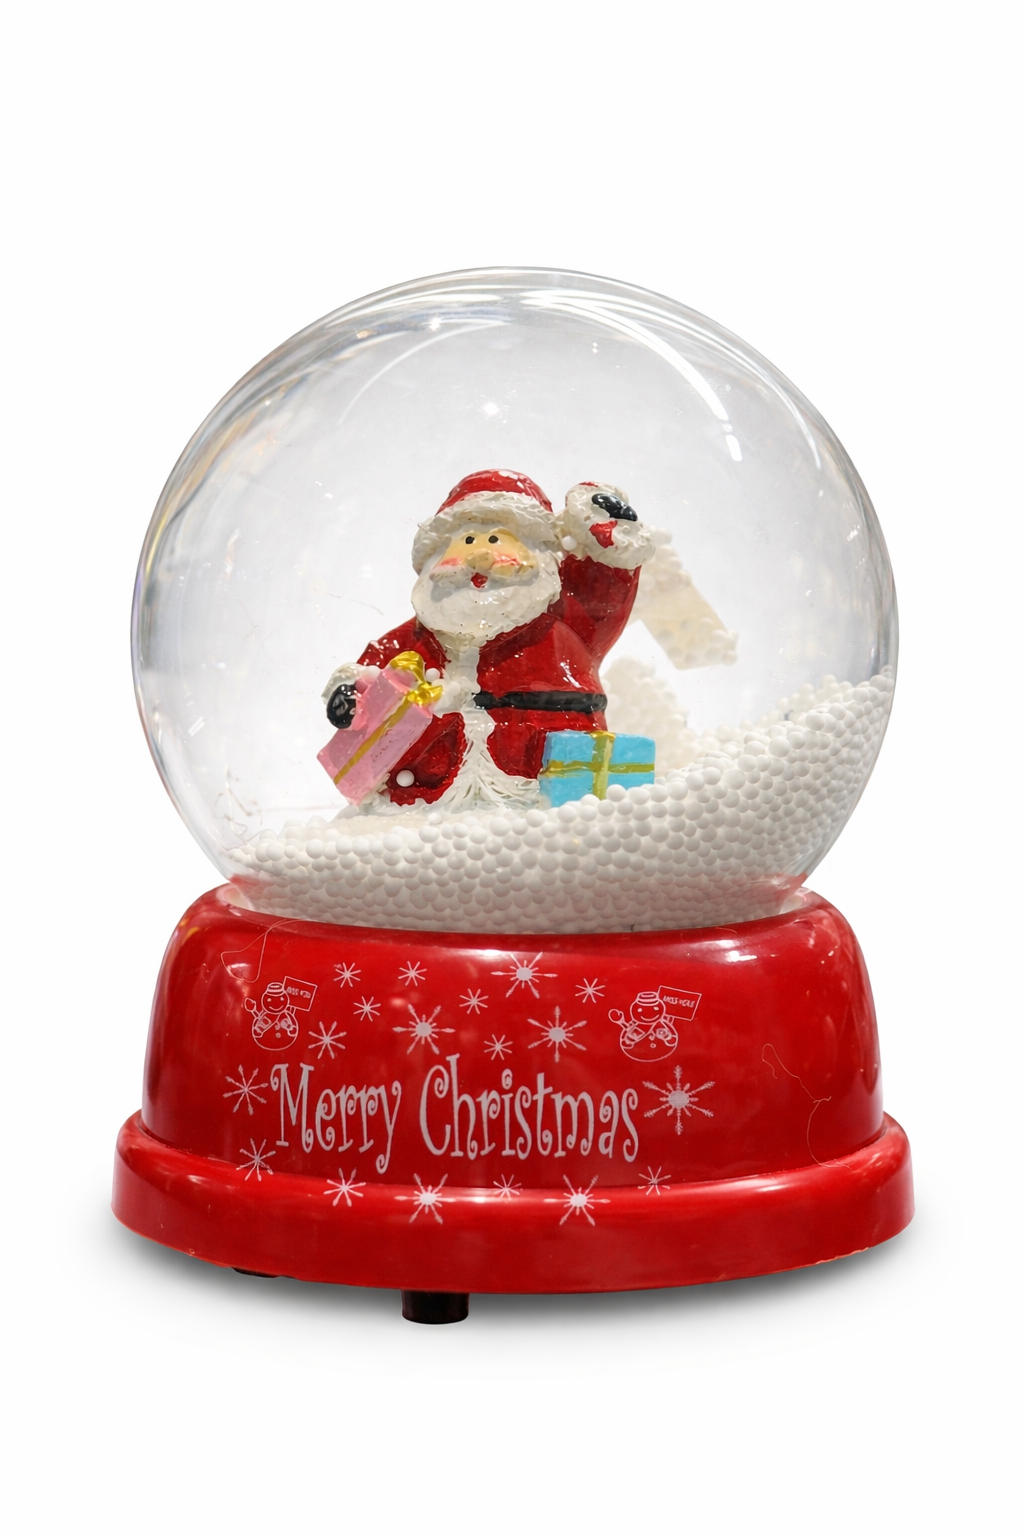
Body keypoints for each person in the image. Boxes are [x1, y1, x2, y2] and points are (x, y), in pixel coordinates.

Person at [322, 469, 655, 808]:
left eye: (496, 541)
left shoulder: (563, 624)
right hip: (426, 793)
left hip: (542, 789)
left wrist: (606, 531)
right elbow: (374, 666)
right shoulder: (421, 635)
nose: (479, 557)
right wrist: (350, 691)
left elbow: (604, 591)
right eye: (467, 542)